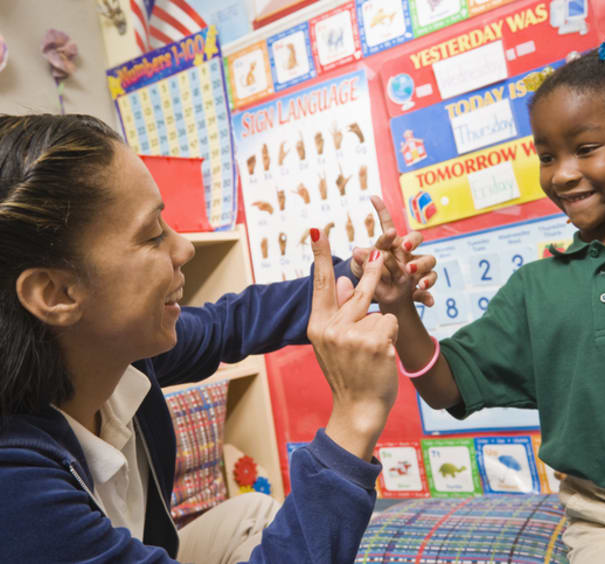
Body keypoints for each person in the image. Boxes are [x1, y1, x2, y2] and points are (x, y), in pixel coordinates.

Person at [374, 28, 605, 563]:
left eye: (586, 148)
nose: (563, 174)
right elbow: (444, 386)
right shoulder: (535, 288)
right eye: (547, 156)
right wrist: (396, 306)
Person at [0, 113, 435, 563]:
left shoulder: (116, 358)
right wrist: (355, 417)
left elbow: (231, 323)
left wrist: (355, 279)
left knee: (253, 512)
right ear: (55, 293)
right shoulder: (15, 488)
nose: (185, 248)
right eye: (152, 236)